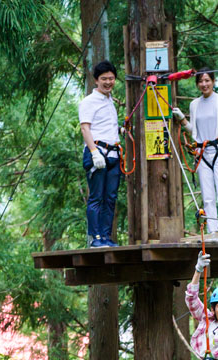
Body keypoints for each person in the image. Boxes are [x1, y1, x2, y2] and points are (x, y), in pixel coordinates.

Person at [171, 68, 218, 240]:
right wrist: (182, 119)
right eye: (201, 81)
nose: (204, 84)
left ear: (213, 81)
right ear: (197, 84)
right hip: (202, 153)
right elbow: (194, 131)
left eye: (207, 80)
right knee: (207, 196)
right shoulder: (194, 104)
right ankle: (212, 231)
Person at [78, 60, 122, 248]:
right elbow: (85, 128)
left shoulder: (109, 100)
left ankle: (106, 236)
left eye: (111, 78)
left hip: (113, 154)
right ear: (96, 80)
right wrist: (94, 153)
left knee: (110, 198)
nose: (108, 82)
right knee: (96, 197)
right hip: (97, 152)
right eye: (104, 79)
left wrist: (121, 130)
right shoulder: (88, 102)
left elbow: (104, 126)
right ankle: (95, 238)